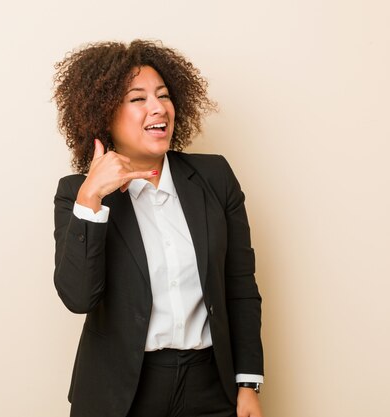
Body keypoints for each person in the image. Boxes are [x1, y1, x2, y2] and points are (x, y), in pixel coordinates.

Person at [52, 40, 264, 417]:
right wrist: (91, 200)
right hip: (122, 394)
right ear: (104, 113)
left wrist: (247, 383)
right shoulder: (77, 194)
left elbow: (240, 286)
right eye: (138, 99)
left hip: (210, 387)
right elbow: (79, 298)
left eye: (163, 95)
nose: (158, 107)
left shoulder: (214, 177)